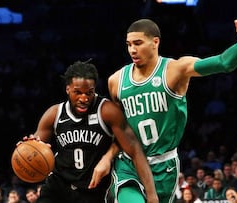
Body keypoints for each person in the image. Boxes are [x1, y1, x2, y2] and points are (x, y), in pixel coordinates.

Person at [107, 16, 237, 202]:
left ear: (155, 42)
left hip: (164, 166)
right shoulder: (116, 81)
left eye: (138, 43)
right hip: (129, 164)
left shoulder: (175, 69)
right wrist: (106, 158)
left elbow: (223, 63)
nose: (132, 49)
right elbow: (118, 129)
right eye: (129, 44)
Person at [20, 60, 158, 203]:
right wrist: (28, 146)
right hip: (59, 185)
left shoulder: (107, 111)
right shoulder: (54, 114)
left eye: (89, 93)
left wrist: (152, 195)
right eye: (77, 92)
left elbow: (135, 149)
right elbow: (36, 143)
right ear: (67, 89)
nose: (84, 98)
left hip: (92, 189)